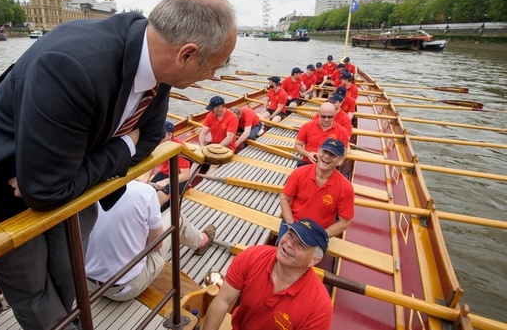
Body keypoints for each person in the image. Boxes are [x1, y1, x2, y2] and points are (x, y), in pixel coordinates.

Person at [0, 0, 237, 330]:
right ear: (186, 54)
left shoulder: (159, 64)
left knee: (69, 273)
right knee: (35, 293)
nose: (213, 76)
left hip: (70, 184)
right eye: (214, 67)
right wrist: (121, 147)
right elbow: (46, 191)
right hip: (1, 191)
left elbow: (150, 138)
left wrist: (81, 166)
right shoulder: (72, 65)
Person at [85, 181, 216, 301]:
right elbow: (156, 246)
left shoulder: (90, 185)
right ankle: (201, 241)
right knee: (174, 217)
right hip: (123, 289)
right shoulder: (145, 192)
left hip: (87, 285)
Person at [202, 219, 332, 330]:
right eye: (290, 234)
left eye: (301, 244)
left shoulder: (319, 308)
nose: (289, 243)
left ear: (314, 260)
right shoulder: (251, 256)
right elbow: (223, 300)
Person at [280, 139, 354, 238]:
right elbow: (284, 199)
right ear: (318, 152)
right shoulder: (299, 173)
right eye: (324, 151)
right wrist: (291, 225)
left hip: (318, 232)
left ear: (340, 160)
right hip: (294, 223)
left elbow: (345, 222)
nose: (327, 156)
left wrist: (322, 235)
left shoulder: (346, 188)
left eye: (332, 155)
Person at [144, 121, 190, 207]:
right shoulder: (157, 143)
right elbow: (152, 163)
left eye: (161, 133)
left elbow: (185, 175)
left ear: (170, 135)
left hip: (178, 177)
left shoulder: (180, 148)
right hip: (164, 173)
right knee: (145, 192)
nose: (158, 135)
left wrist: (166, 181)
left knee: (158, 197)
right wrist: (147, 177)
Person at [294, 102, 349, 166]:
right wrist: (308, 154)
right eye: (323, 116)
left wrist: (337, 164)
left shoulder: (342, 131)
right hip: (308, 161)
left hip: (329, 164)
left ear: (334, 114)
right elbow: (297, 145)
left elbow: (344, 152)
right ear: (319, 113)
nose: (326, 119)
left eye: (330, 117)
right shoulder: (307, 126)